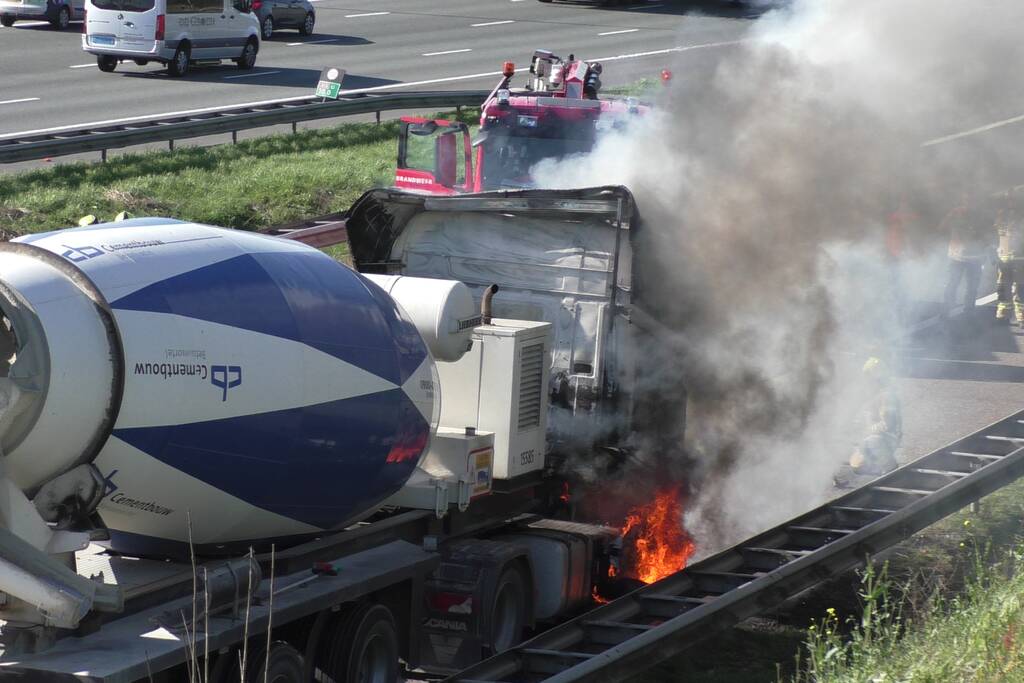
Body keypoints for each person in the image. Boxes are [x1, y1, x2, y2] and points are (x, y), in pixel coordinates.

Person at [834, 357, 902, 487]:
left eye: (868, 376)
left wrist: (863, 431)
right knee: (857, 466)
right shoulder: (873, 392)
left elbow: (887, 425)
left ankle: (890, 467)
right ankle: (874, 462)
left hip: (885, 439)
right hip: (869, 437)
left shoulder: (887, 396)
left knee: (873, 442)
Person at [941, 192, 990, 318]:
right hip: (959, 256)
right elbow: (942, 227)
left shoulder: (977, 215)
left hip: (968, 257)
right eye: (967, 201)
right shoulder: (957, 213)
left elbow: (942, 228)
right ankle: (950, 309)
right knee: (956, 284)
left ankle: (959, 310)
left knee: (963, 285)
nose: (968, 204)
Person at [995, 189, 1024, 326]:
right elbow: (996, 232)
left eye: (1012, 199)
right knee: (1003, 286)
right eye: (1008, 199)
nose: (1010, 202)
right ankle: (1003, 313)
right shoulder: (1002, 215)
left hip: (1020, 257)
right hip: (1004, 257)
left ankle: (1021, 316)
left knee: (1020, 288)